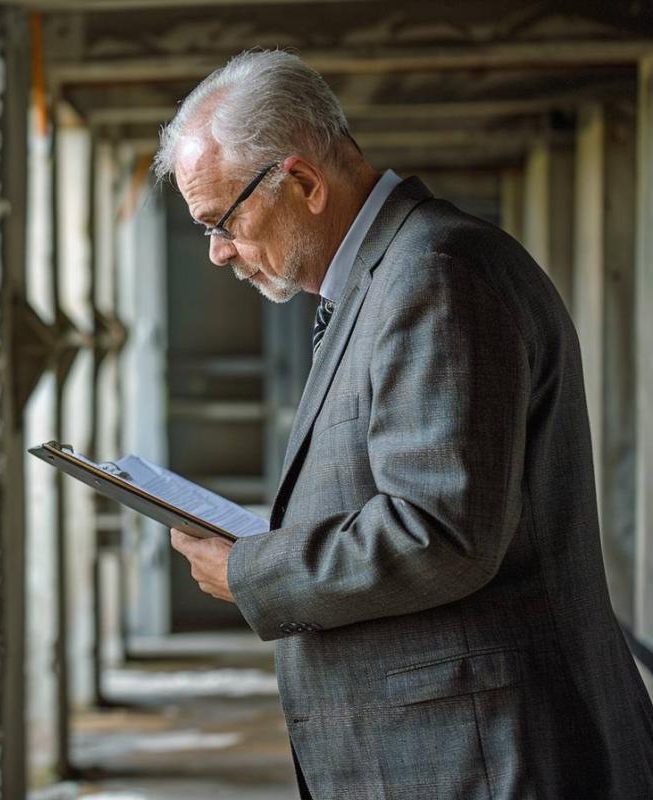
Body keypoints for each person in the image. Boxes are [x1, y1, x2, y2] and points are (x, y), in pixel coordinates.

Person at [159, 49, 653, 798]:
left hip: (487, 758)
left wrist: (253, 569)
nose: (219, 251)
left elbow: (442, 532)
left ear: (301, 182)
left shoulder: (434, 277)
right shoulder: (390, 276)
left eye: (222, 220)